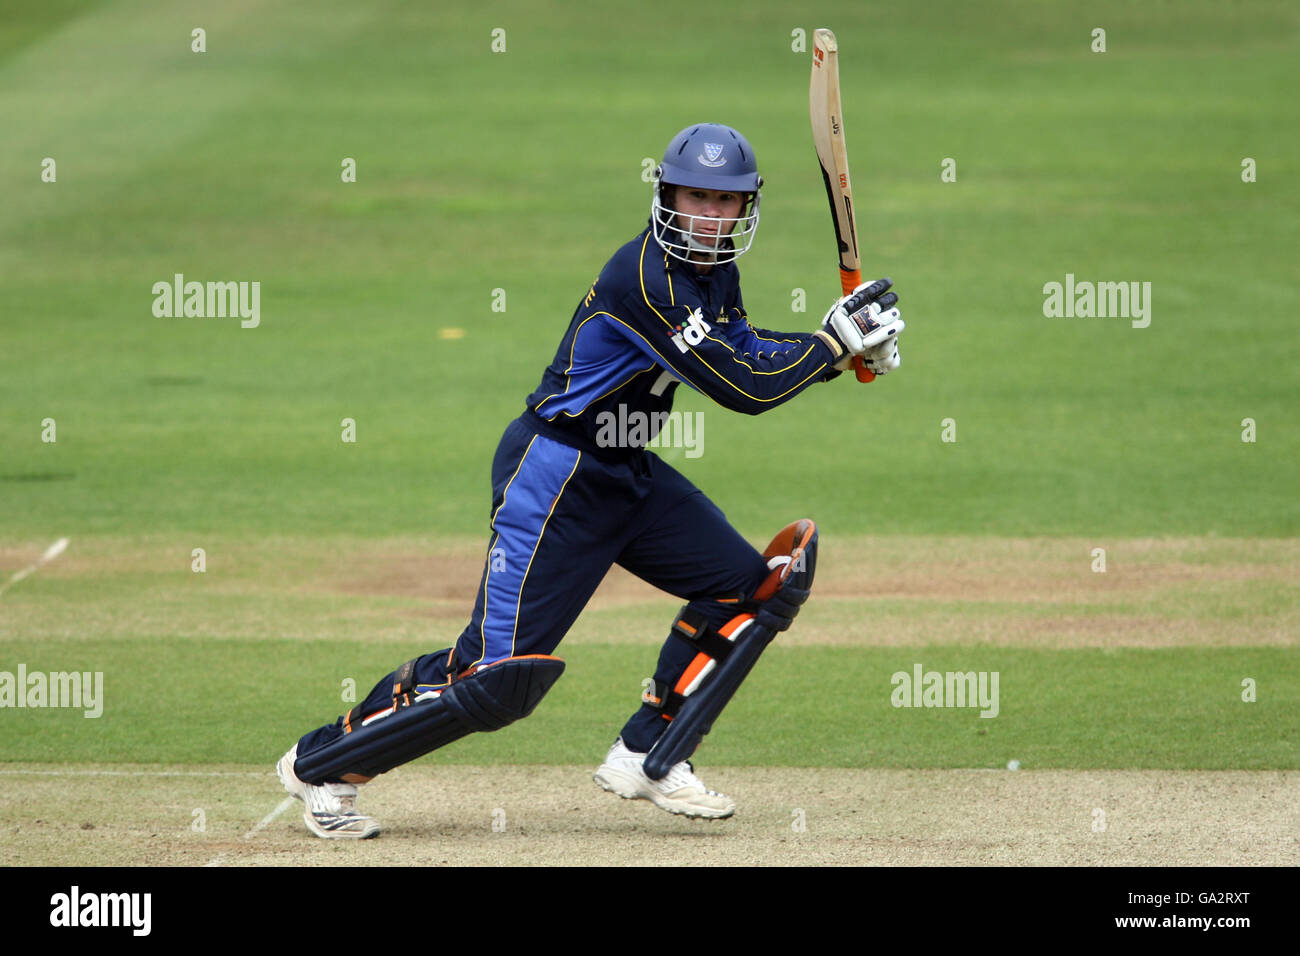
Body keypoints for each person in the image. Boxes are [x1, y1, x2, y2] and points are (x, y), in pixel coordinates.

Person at [275, 123, 904, 839]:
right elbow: (744, 388)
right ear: (666, 194)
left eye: (724, 202)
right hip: (557, 477)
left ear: (745, 208)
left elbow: (744, 347)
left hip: (624, 468)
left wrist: (839, 353)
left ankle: (650, 754)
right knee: (495, 679)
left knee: (754, 586)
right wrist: (831, 343)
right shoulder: (645, 279)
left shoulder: (712, 271)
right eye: (694, 196)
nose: (708, 214)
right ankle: (322, 763)